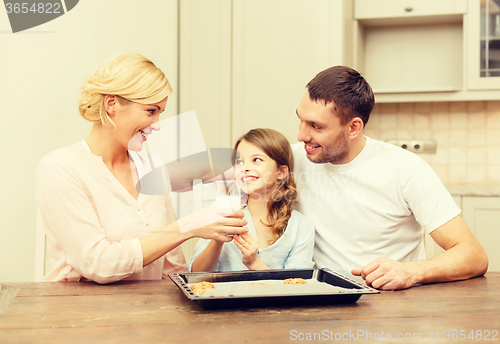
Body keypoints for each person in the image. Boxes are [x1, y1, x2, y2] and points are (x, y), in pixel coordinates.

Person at [35, 52, 248, 284]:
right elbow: (97, 263)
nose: (157, 125)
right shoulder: (60, 168)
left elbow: (172, 270)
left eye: (160, 113)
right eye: (150, 111)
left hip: (147, 313)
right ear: (111, 104)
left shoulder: (152, 167)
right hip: (77, 314)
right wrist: (189, 226)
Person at [293, 66, 488, 290]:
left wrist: (412, 271)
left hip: (391, 304)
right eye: (301, 120)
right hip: (321, 303)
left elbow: (473, 255)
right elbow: (244, 165)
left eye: (315, 126)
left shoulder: (405, 169)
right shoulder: (287, 161)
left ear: (354, 127)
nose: (301, 135)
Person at [190, 128, 315, 272]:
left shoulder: (301, 227)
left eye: (256, 160)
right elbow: (196, 275)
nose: (245, 168)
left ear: (281, 172)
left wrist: (255, 263)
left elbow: (296, 286)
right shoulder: (219, 212)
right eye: (238, 162)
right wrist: (217, 241)